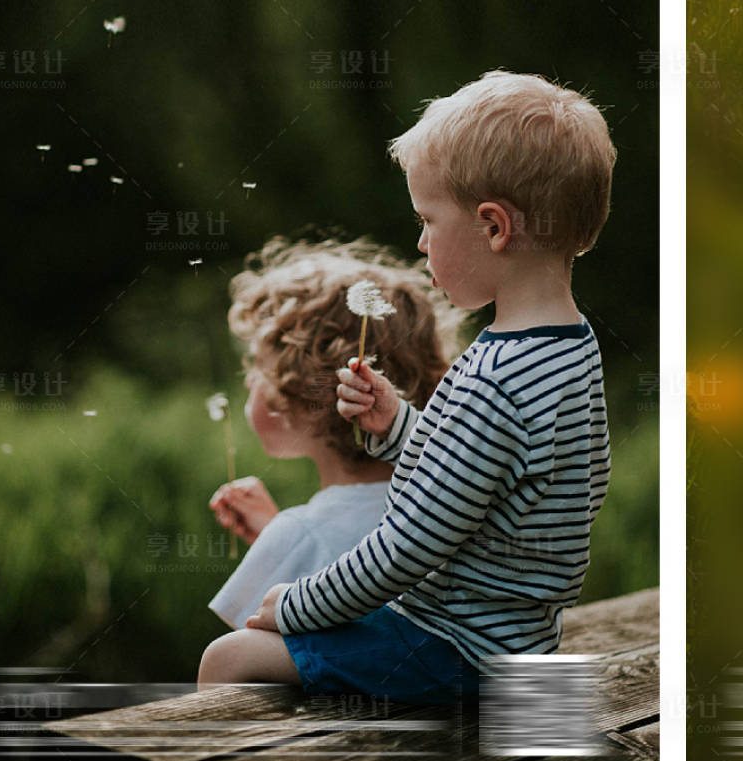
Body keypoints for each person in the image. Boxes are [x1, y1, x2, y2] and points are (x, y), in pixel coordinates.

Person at [197, 71, 614, 710]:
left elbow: (405, 549)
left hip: (455, 647)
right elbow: (499, 475)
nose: (420, 244)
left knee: (227, 660)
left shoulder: (495, 377)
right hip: (527, 640)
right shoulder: (569, 348)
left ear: (494, 227)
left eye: (427, 221)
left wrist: (298, 603)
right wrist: (399, 427)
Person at [204, 240, 450, 637]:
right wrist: (276, 538)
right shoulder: (444, 505)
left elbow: (240, 678)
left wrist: (282, 544)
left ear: (300, 398)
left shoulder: (300, 533)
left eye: (258, 367)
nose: (248, 378)